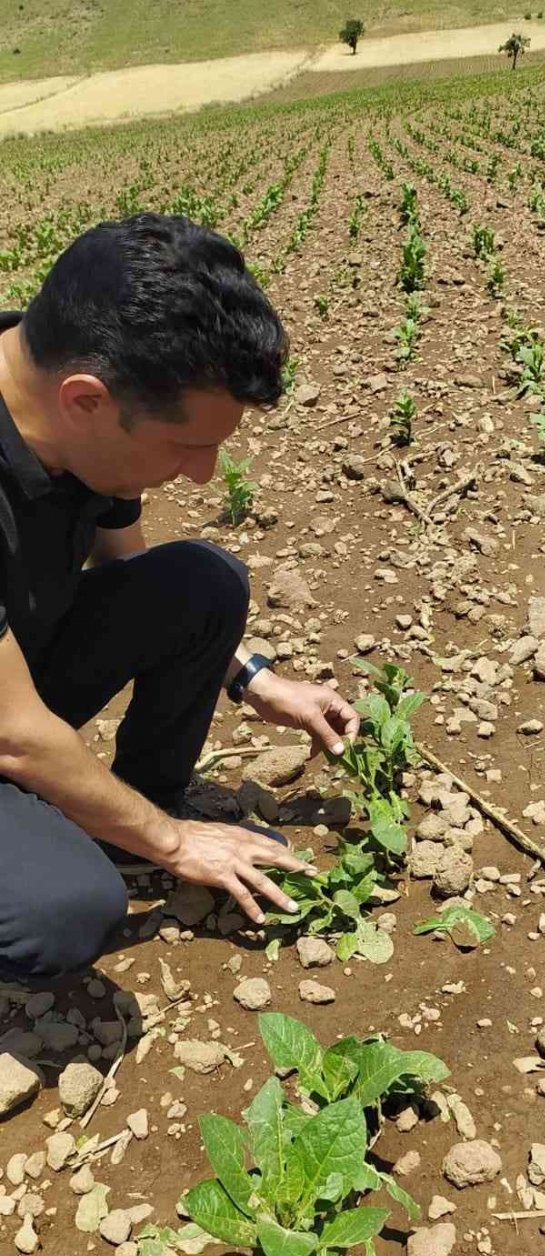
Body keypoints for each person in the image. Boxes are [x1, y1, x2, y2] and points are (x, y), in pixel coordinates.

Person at [0, 212, 359, 980]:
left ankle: (117, 818)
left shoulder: (55, 393)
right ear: (86, 400)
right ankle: (119, 837)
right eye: (188, 445)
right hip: (7, 714)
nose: (203, 474)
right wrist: (174, 841)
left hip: (13, 675)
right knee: (61, 911)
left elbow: (134, 577)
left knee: (202, 580)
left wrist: (251, 678)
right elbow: (14, 732)